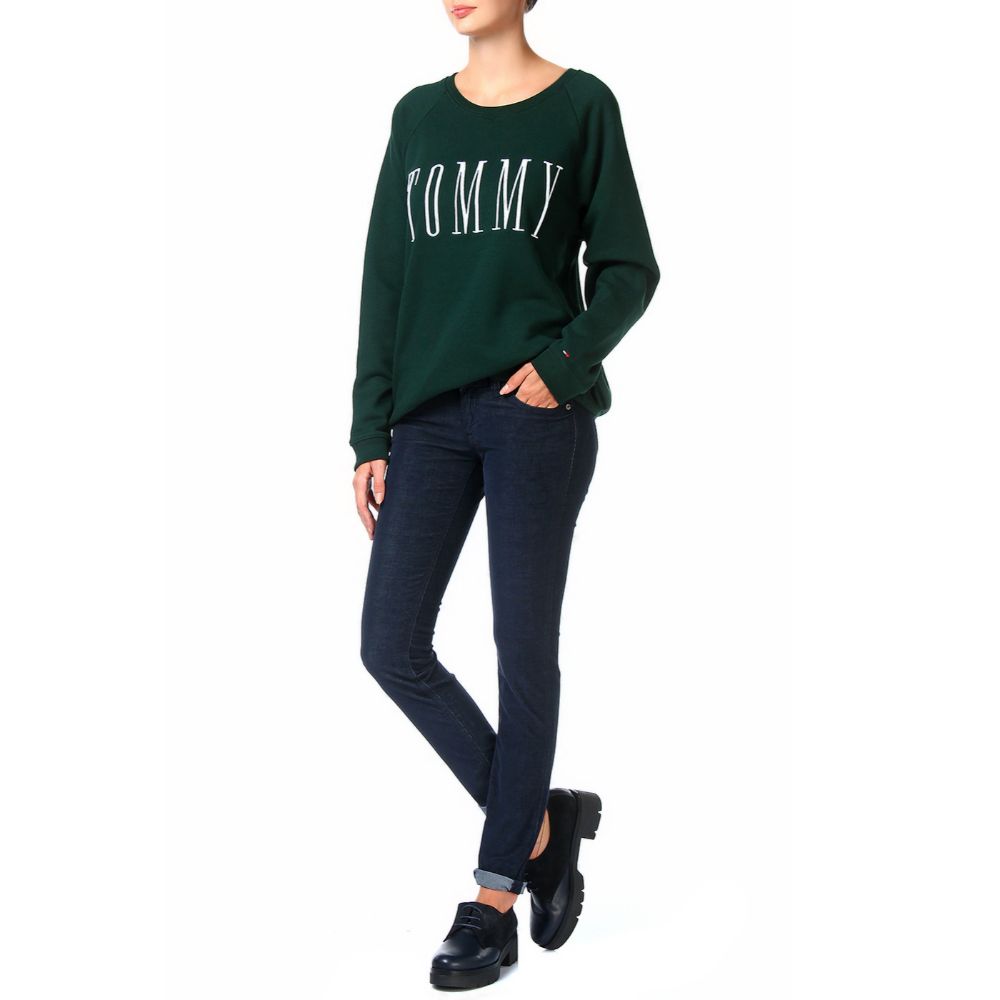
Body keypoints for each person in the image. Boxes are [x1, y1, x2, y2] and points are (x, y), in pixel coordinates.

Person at [350, 0, 660, 989]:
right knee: (390, 644)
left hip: (535, 414)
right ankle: (540, 825)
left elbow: (628, 267)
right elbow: (387, 281)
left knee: (522, 647)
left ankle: (493, 898)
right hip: (427, 421)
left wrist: (564, 365)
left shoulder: (581, 106)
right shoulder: (418, 115)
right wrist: (370, 428)